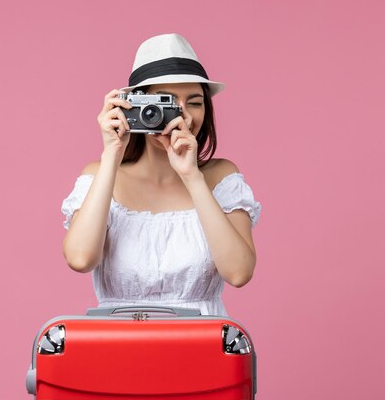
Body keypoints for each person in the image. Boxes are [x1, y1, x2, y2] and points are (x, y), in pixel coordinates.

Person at [61, 33, 261, 316]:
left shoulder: (221, 177)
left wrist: (192, 176)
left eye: (194, 102)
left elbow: (239, 272)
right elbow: (80, 258)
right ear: (133, 105)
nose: (182, 116)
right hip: (118, 344)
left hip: (200, 345)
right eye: (164, 103)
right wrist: (112, 155)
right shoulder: (101, 175)